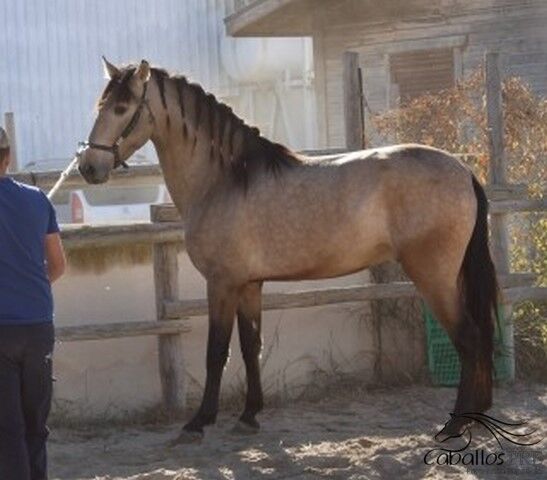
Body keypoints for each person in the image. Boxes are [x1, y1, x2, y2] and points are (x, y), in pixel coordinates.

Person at [0, 126, 66, 480]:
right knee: (35, 427)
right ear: (8, 157)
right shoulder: (37, 199)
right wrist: (31, 285)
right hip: (39, 327)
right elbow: (57, 266)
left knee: (7, 430)